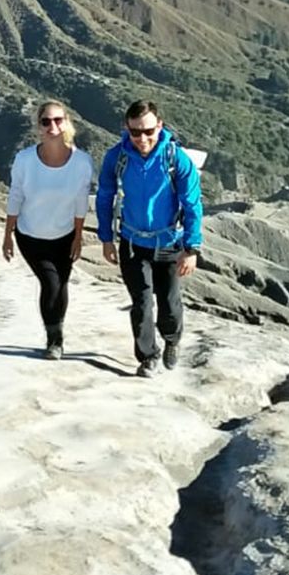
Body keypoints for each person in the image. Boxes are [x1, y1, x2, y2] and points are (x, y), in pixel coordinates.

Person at [95, 100, 203, 378]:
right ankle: (147, 356)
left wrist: (191, 248)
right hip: (132, 242)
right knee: (141, 304)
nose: (142, 138)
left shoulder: (175, 159)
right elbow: (105, 197)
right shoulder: (116, 157)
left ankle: (172, 338)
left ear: (160, 126)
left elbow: (192, 204)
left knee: (169, 301)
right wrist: (106, 238)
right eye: (135, 132)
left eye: (148, 131)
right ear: (126, 129)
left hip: (169, 243)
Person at [2, 101, 94, 360]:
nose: (52, 126)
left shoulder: (82, 163)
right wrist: (7, 234)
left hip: (64, 235)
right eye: (46, 121)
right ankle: (54, 339)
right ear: (39, 126)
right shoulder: (25, 159)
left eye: (57, 120)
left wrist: (78, 236)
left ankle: (57, 332)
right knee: (50, 282)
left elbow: (80, 202)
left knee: (61, 283)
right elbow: (16, 195)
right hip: (30, 234)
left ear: (66, 123)